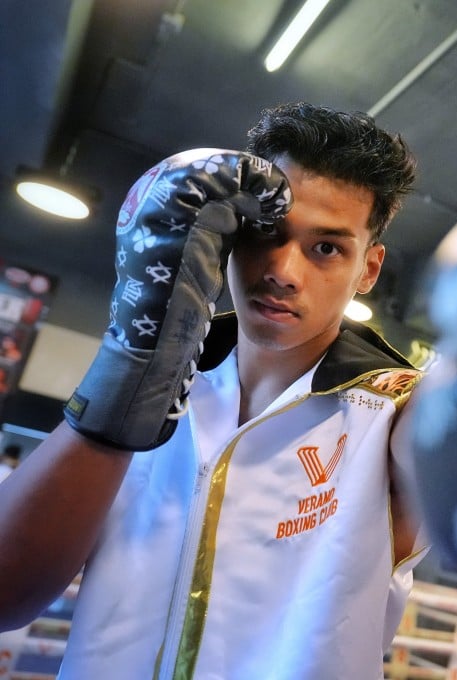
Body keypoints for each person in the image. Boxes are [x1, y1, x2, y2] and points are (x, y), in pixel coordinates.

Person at [0, 102, 424, 678]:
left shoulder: (395, 413)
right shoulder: (158, 383)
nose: (283, 270)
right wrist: (132, 366)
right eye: (266, 233)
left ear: (369, 270)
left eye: (326, 248)